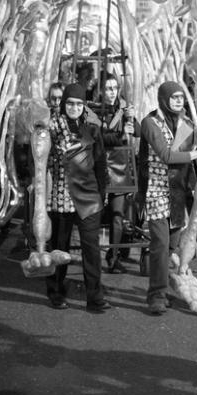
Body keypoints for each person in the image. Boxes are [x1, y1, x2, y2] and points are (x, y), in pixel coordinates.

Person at [137, 81, 197, 315]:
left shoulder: (187, 124)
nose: (178, 101)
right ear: (164, 98)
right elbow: (167, 155)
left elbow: (192, 162)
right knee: (159, 243)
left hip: (177, 192)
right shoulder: (150, 122)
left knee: (171, 245)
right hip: (156, 190)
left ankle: (165, 289)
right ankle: (156, 295)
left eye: (181, 97)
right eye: (174, 97)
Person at [44, 84, 111, 312]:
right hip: (61, 194)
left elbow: (100, 163)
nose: (74, 108)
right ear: (64, 104)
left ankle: (95, 297)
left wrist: (102, 194)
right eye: (70, 103)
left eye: (79, 104)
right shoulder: (51, 127)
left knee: (91, 249)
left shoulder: (92, 127)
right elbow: (40, 160)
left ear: (84, 106)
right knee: (59, 248)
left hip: (89, 195)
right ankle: (55, 291)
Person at [90, 74, 135, 274]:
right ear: (100, 90)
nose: (111, 92)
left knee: (118, 215)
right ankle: (94, 254)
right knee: (97, 215)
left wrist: (132, 120)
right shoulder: (91, 110)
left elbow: (136, 132)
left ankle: (113, 256)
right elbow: (96, 137)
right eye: (107, 88)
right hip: (98, 166)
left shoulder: (123, 109)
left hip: (119, 166)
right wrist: (119, 135)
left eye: (114, 88)